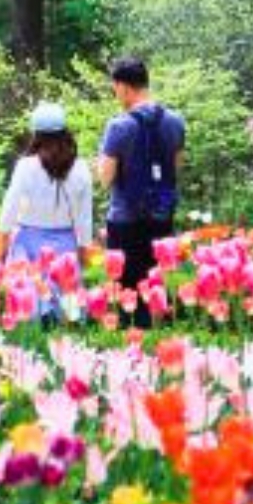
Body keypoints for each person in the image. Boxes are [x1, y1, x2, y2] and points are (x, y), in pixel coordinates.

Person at [96, 57, 185, 328]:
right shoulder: (175, 121)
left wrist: (99, 165)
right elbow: (176, 168)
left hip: (126, 219)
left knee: (128, 289)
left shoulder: (119, 126)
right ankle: (159, 334)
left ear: (123, 87)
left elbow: (105, 178)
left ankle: (131, 341)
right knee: (156, 280)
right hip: (162, 215)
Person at [0, 102, 94, 266]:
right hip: (65, 248)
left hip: (27, 245)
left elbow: (10, 206)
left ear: (36, 134)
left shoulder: (25, 166)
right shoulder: (80, 167)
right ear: (65, 132)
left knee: (27, 290)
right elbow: (84, 217)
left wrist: (4, 245)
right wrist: (84, 251)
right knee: (63, 291)